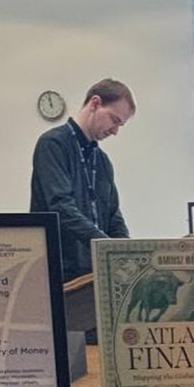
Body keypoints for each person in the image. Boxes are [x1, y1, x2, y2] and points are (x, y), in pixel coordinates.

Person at [29, 79, 135, 281]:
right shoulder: (53, 144)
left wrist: (125, 252)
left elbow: (113, 215)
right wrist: (105, 247)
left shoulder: (102, 161)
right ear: (95, 103)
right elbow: (60, 206)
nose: (115, 131)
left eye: (120, 124)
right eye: (114, 120)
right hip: (58, 271)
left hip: (94, 273)